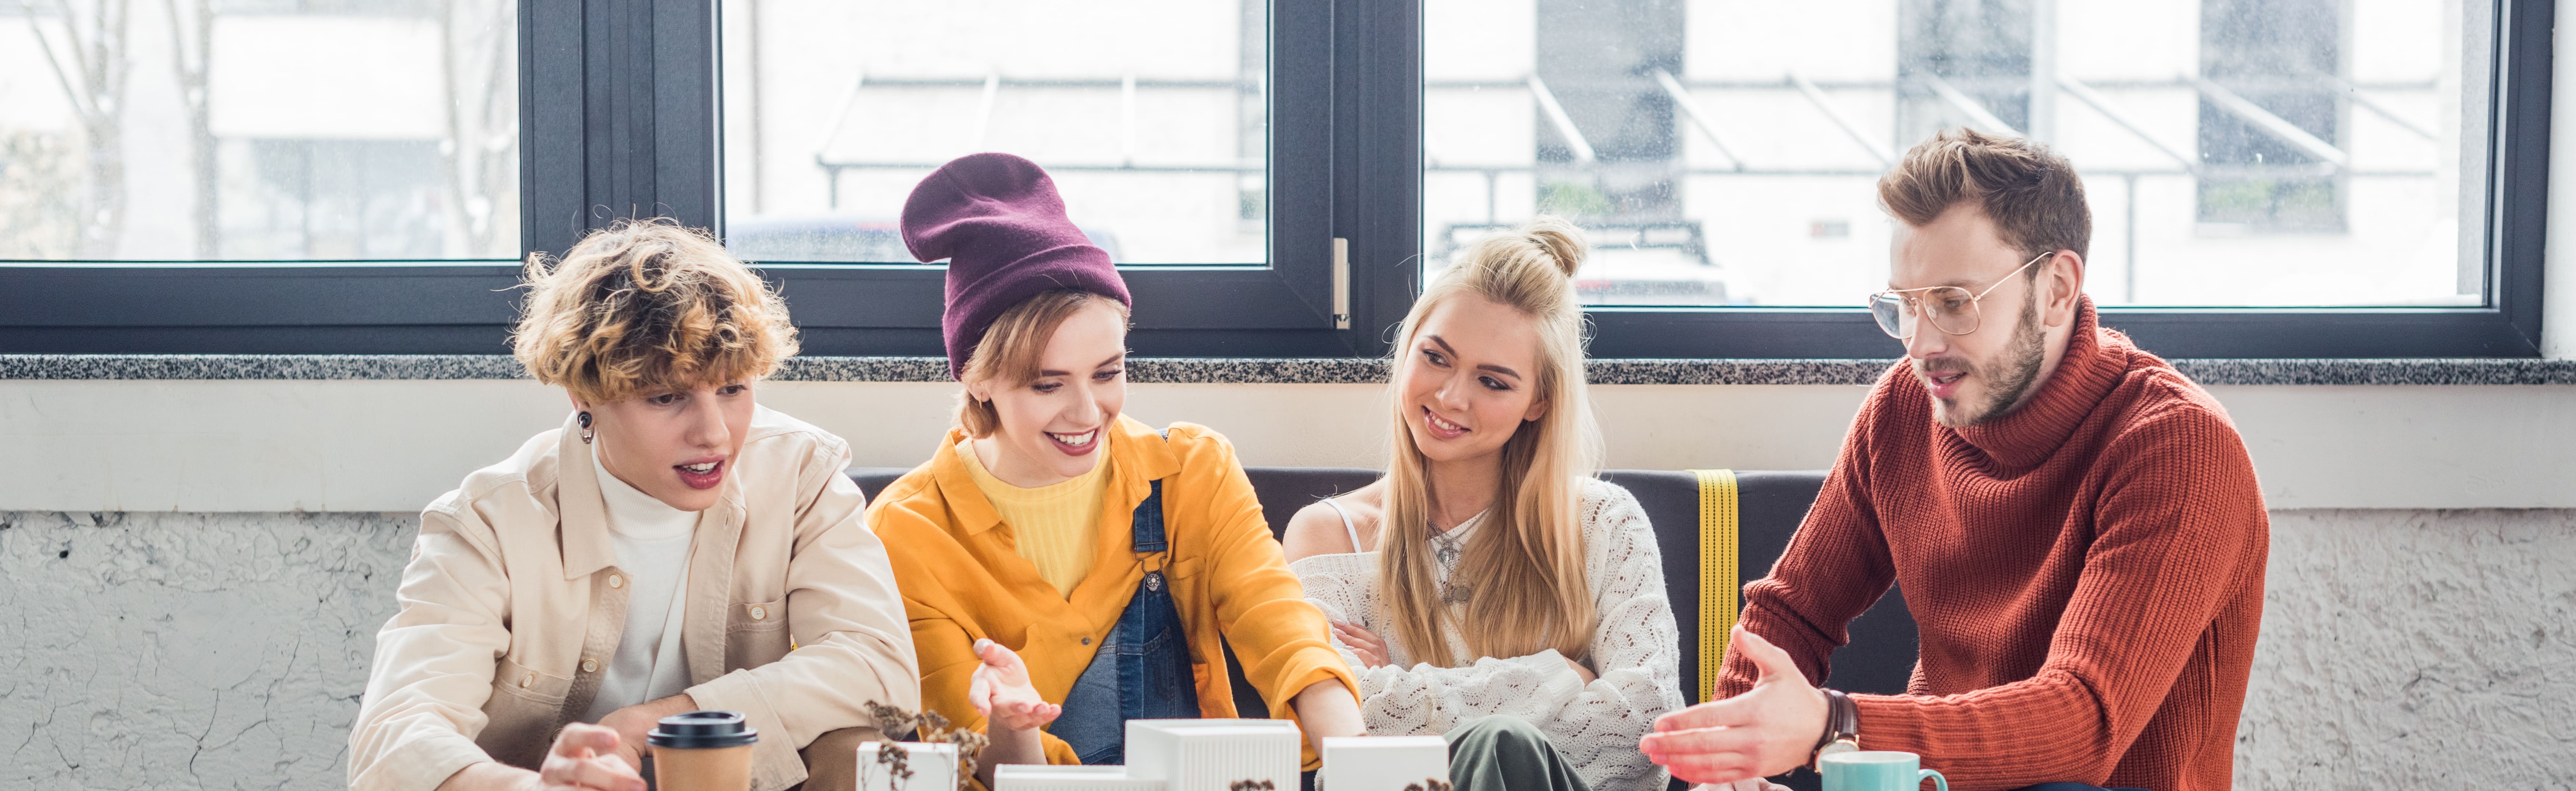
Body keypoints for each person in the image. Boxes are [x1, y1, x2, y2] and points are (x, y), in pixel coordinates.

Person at [1639, 129, 2268, 791]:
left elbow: (2085, 723)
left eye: (1951, 303)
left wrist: (1835, 724)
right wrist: (1731, 768)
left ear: (2056, 288)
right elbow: (1791, 613)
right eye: (1904, 305)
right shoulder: (1904, 409)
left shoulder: (2178, 448)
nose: (1919, 342)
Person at [348, 220, 920, 791]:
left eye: (732, 389)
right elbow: (395, 737)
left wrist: (652, 723)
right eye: (667, 398)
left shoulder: (799, 473)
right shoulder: (488, 522)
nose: (715, 434)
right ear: (583, 396)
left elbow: (877, 667)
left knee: (868, 743)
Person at [865, 153, 1365, 787]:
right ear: (977, 378)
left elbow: (1283, 626)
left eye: (1108, 373)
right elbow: (972, 762)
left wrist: (1358, 759)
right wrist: (1013, 727)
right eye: (1048, 385)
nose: (1086, 412)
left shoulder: (1192, 473)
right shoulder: (906, 533)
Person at [1281, 218, 1686, 791]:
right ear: (1409, 346)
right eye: (1437, 358)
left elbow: (1643, 726)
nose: (1450, 397)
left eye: (1493, 382)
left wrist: (1400, 682)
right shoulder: (1330, 534)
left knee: (1506, 745)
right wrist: (1556, 675)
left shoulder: (1603, 522)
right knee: (1501, 739)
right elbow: (1345, 726)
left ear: (1538, 401)